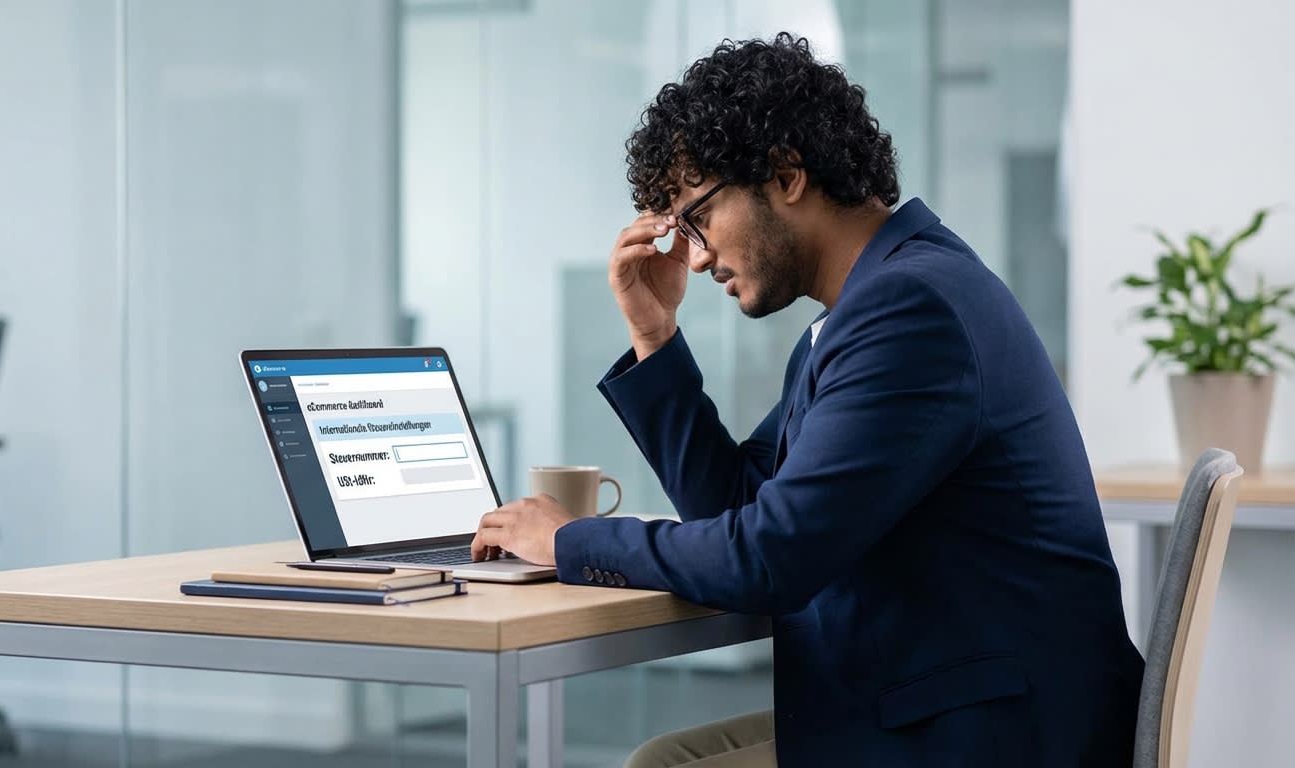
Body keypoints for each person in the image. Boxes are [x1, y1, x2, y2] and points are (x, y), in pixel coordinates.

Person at [471, 33, 1142, 767]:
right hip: (943, 704)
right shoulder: (868, 306)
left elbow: (769, 558)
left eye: (696, 218)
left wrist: (568, 541)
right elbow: (737, 509)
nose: (693, 256)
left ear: (786, 174)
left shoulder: (910, 311)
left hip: (986, 733)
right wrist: (655, 335)